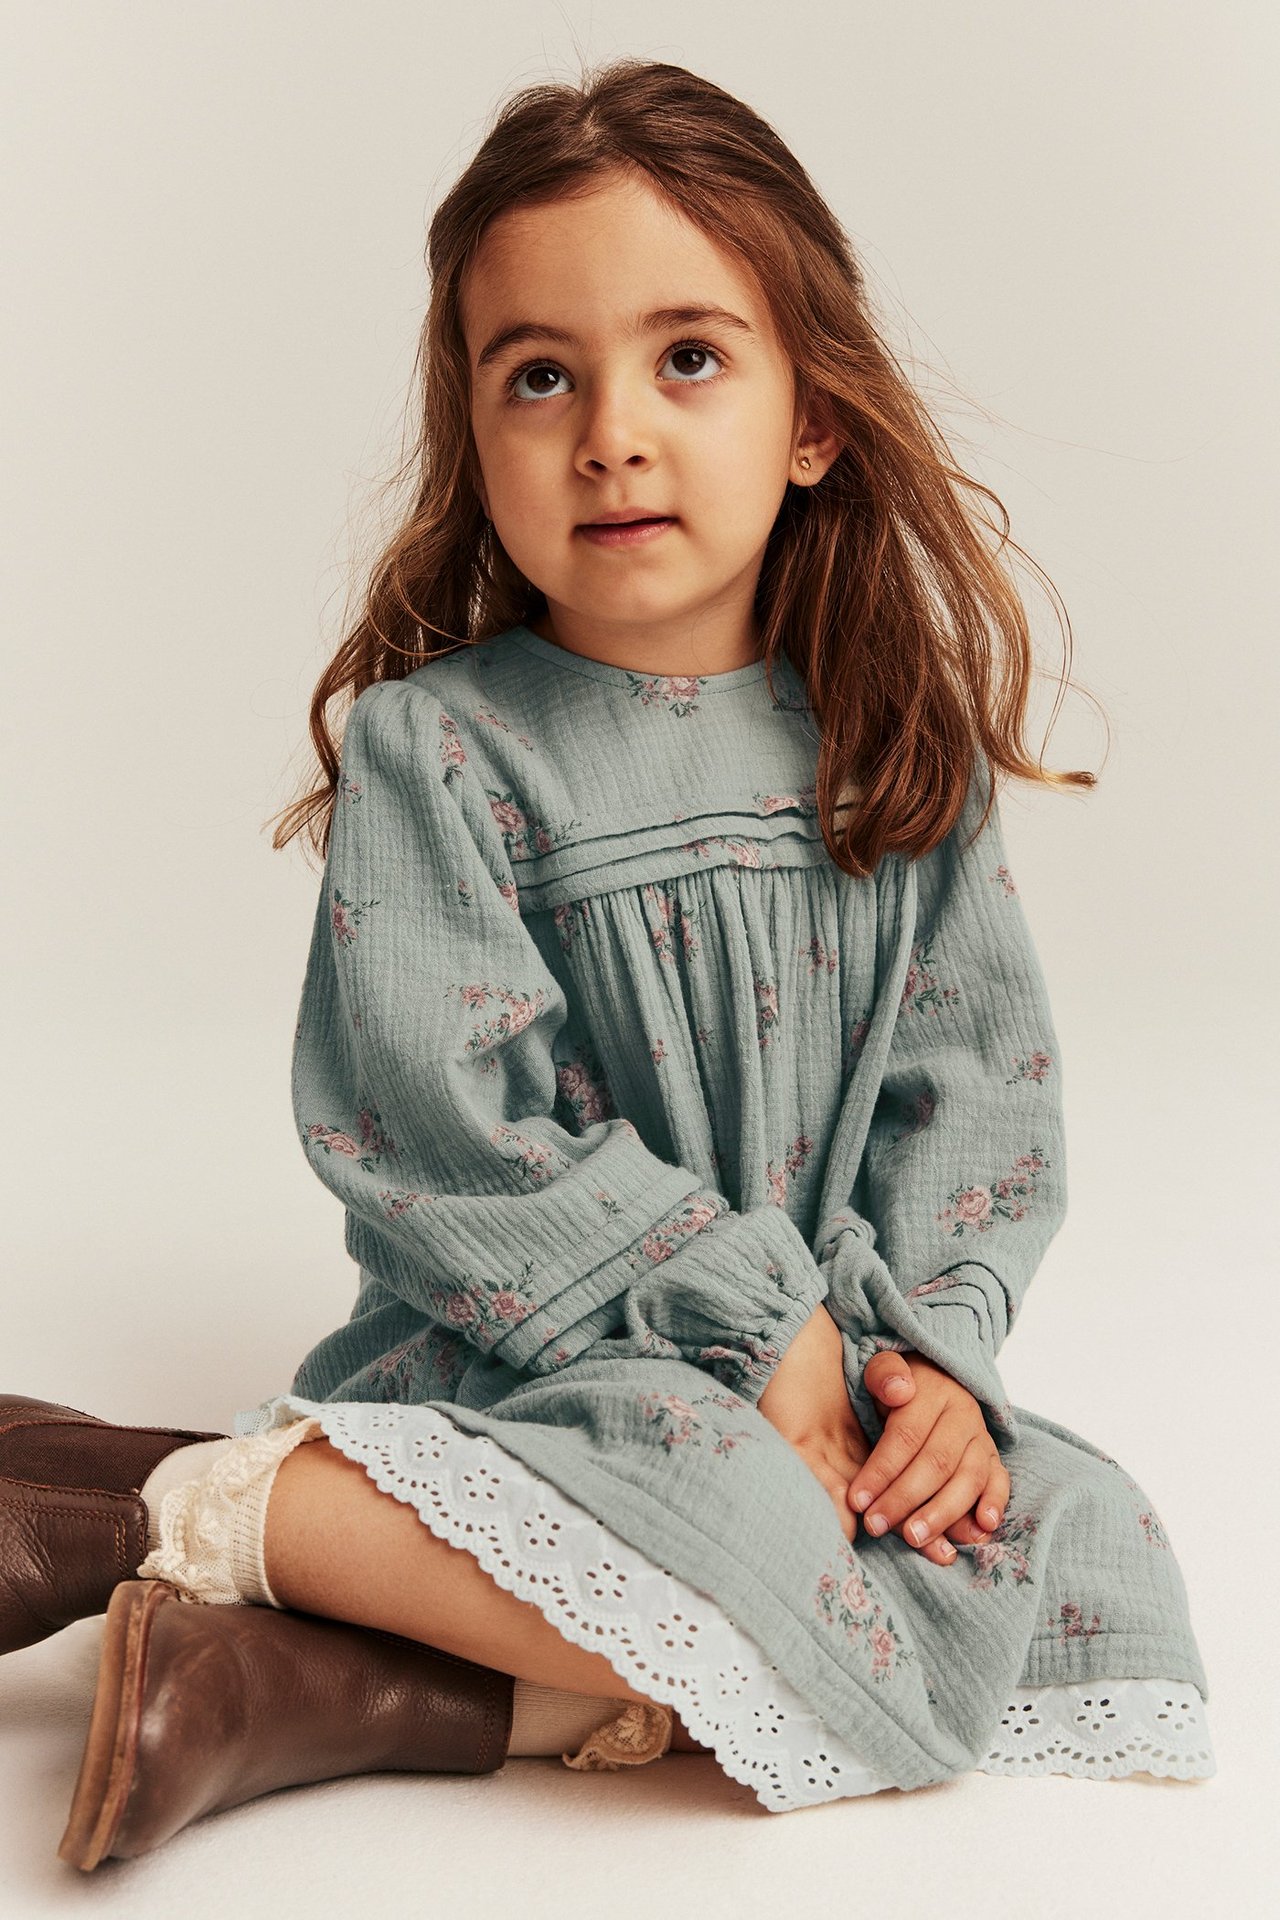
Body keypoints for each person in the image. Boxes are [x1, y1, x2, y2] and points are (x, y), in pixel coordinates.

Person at [1, 55, 1215, 1873]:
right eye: (540, 375)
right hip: (553, 1350)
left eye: (689, 358)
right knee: (725, 1510)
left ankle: (296, 1667)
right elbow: (443, 1133)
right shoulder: (448, 753)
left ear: (814, 416)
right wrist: (752, 1321)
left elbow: (973, 1110)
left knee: (1076, 1539)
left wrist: (929, 1374)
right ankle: (201, 1512)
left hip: (829, 1371)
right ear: (474, 433)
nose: (611, 432)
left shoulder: (896, 747)